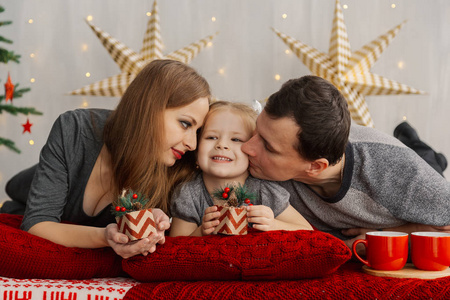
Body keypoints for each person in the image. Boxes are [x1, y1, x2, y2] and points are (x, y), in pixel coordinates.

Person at [9, 59, 211, 258]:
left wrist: (143, 227)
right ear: (149, 108)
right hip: (22, 192)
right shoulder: (75, 129)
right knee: (13, 191)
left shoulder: (176, 170)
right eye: (185, 124)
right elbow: (36, 224)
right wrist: (105, 236)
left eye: (198, 130)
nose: (192, 144)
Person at [241, 75, 450, 249]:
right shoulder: (258, 157)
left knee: (430, 164)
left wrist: (384, 235)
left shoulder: (397, 171)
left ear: (315, 166)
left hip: (397, 163)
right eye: (256, 130)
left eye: (268, 147)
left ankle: (416, 144)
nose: (246, 148)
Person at [169, 100, 313, 237]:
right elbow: (174, 249)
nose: (222, 145)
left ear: (252, 149)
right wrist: (201, 233)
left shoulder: (264, 192)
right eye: (211, 137)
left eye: (236, 139)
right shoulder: (189, 194)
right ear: (196, 147)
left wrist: (274, 224)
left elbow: (308, 232)